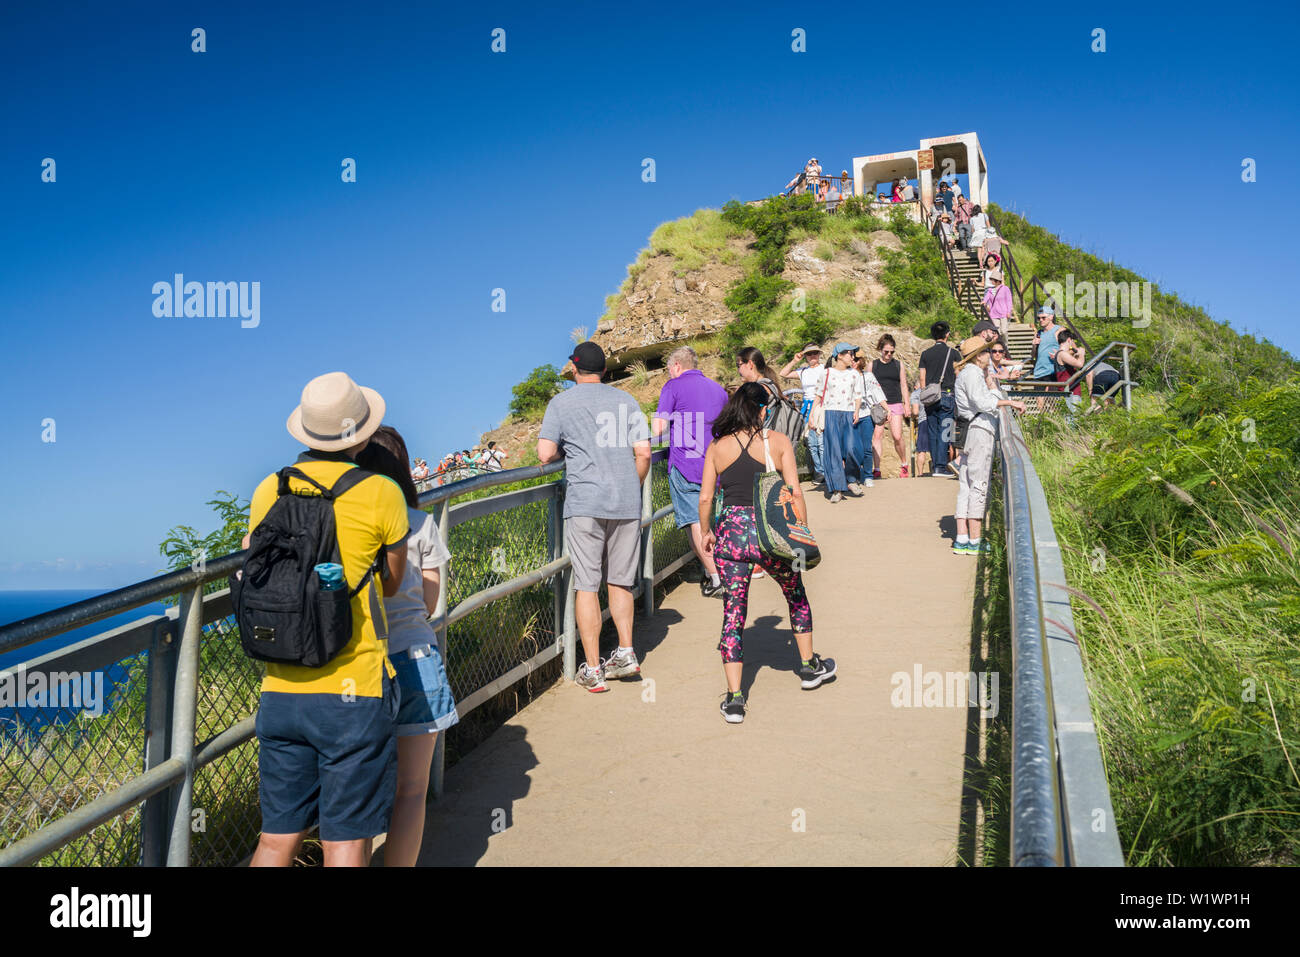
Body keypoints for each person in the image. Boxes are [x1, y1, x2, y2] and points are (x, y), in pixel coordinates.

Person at [245, 372, 409, 867]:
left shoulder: (268, 490)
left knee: (276, 839)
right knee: (346, 842)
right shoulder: (382, 492)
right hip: (354, 692)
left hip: (280, 689)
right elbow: (393, 582)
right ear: (359, 434)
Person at [699, 382, 835, 723]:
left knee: (733, 613)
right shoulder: (777, 442)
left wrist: (706, 531)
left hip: (731, 537)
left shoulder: (717, 446)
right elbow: (794, 491)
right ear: (762, 410)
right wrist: (800, 531)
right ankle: (807, 668)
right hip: (771, 534)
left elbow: (705, 498)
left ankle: (734, 699)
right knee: (796, 596)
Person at [355, 426, 458, 868]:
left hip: (358, 666)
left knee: (355, 794)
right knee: (412, 789)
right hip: (415, 656)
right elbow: (431, 603)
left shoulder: (346, 524)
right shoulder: (420, 524)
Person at [538, 342, 650, 692]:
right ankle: (627, 652)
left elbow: (544, 454)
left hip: (586, 501)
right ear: (603, 370)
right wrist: (633, 486)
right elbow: (643, 452)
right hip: (626, 502)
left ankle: (592, 669)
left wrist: (563, 448)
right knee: (620, 581)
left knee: (587, 584)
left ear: (574, 368)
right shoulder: (627, 400)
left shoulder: (561, 403)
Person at [653, 345, 729, 599]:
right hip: (716, 464)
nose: (668, 374)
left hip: (686, 464)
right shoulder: (717, 389)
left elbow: (658, 429)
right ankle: (724, 571)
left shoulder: (673, 387)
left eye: (668, 369)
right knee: (714, 519)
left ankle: (717, 578)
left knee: (694, 522)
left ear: (676, 366)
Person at [953, 339, 1026, 554]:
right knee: (979, 482)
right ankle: (975, 540)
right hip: (980, 429)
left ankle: (962, 537)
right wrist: (1009, 402)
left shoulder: (968, 373)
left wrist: (990, 382)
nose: (990, 355)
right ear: (978, 355)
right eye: (986, 351)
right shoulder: (973, 373)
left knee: (966, 482)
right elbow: (983, 402)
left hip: (969, 429)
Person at [819, 343, 865, 502]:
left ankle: (851, 479)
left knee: (853, 448)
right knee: (834, 452)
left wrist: (857, 411)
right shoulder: (826, 373)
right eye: (850, 354)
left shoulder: (855, 374)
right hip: (830, 413)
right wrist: (812, 416)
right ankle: (837, 489)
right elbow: (819, 395)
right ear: (839, 355)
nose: (853, 357)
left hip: (849, 413)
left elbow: (858, 395)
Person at [917, 321, 959, 478]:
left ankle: (936, 466)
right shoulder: (953, 353)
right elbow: (958, 376)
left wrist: (925, 395)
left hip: (930, 397)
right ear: (947, 334)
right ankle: (941, 467)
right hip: (947, 395)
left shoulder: (925, 354)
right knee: (945, 431)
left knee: (933, 431)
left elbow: (922, 378)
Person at [779, 344, 826, 482]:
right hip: (808, 406)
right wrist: (795, 360)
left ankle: (823, 470)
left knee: (821, 441)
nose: (813, 356)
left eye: (815, 353)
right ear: (805, 356)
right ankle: (818, 471)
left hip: (822, 406)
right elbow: (783, 373)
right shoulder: (803, 371)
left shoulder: (825, 369)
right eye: (809, 354)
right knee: (810, 441)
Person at [870, 334, 911, 478]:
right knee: (877, 435)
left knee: (897, 435)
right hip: (879, 405)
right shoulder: (873, 365)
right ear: (880, 349)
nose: (888, 355)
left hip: (895, 402)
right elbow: (868, 385)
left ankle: (904, 464)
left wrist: (907, 403)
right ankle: (877, 468)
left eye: (891, 352)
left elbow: (904, 385)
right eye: (886, 351)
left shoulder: (898, 364)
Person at [853, 354, 884, 487]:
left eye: (856, 359)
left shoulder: (868, 376)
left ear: (861, 361)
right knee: (852, 447)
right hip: (850, 415)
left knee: (866, 446)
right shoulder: (845, 376)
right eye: (852, 359)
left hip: (866, 414)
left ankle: (867, 476)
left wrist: (887, 409)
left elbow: (878, 393)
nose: (853, 362)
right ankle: (855, 475)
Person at [1031, 303, 1062, 381]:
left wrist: (1059, 355)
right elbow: (1033, 356)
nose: (1041, 320)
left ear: (1051, 317)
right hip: (1038, 374)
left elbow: (1072, 349)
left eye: (1043, 318)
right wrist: (1034, 346)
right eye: (1039, 318)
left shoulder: (1059, 330)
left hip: (1053, 373)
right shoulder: (1038, 333)